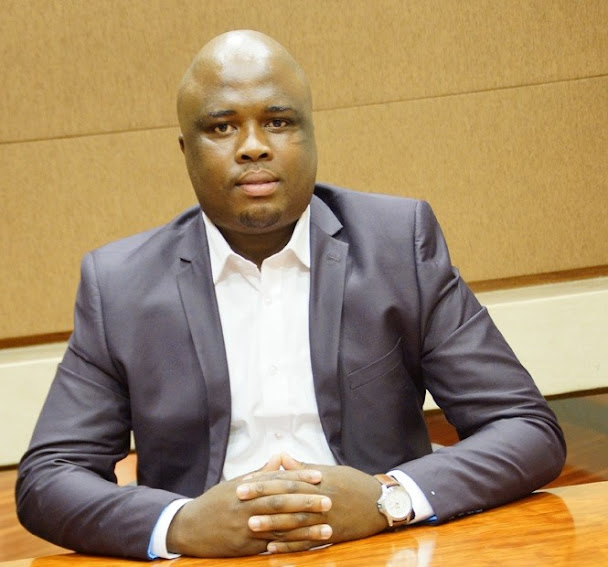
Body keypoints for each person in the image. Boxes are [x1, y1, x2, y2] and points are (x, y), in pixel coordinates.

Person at [16, 30, 566, 560]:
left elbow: (526, 428)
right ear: (186, 150)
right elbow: (49, 478)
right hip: (213, 563)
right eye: (222, 127)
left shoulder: (398, 246)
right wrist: (182, 524)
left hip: (381, 549)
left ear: (311, 133)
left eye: (278, 122)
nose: (254, 147)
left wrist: (388, 498)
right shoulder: (121, 284)